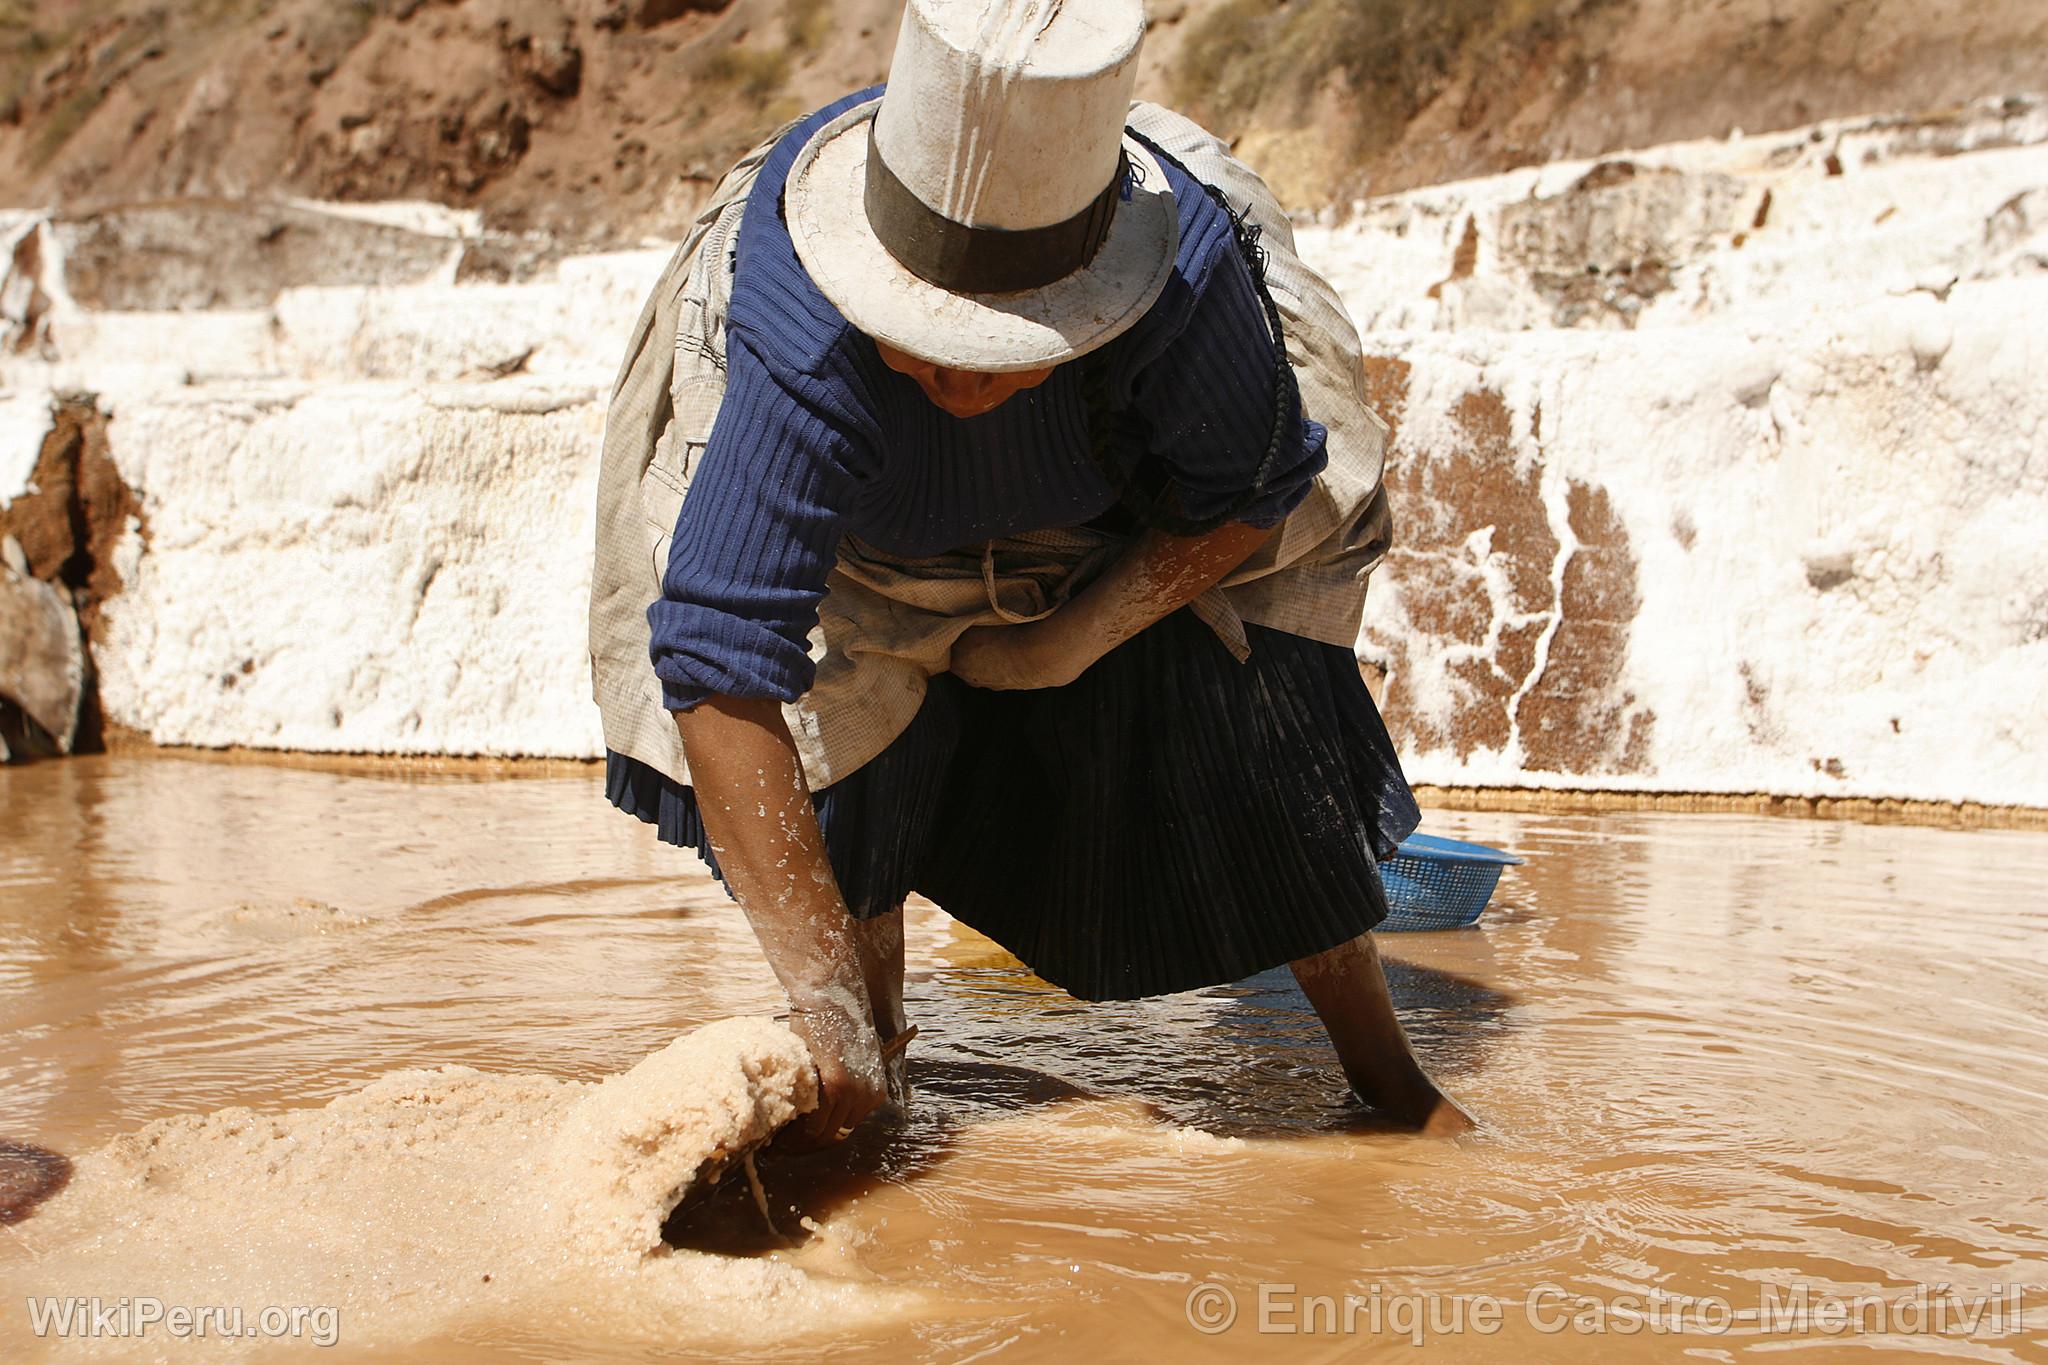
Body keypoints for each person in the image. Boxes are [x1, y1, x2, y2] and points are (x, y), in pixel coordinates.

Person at [589, 0, 1471, 1147]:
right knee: (845, 796)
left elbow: (1247, 493)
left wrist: (1063, 643)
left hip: (1114, 517)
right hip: (867, 553)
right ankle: (874, 1072)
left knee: (1262, 732)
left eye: (1006, 353)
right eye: (929, 344)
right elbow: (719, 658)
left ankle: (1387, 1081)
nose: (960, 388)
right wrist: (825, 1020)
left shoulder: (1187, 278)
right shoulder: (798, 314)